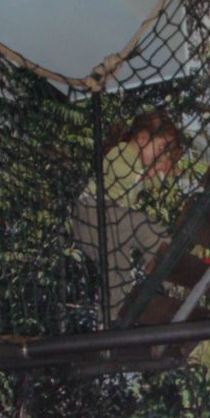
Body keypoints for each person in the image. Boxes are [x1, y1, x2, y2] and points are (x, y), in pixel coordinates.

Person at [72, 109, 183, 321]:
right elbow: (119, 172)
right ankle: (165, 273)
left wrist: (165, 174)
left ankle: (110, 319)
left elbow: (145, 183)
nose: (162, 155)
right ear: (142, 138)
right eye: (160, 148)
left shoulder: (139, 165)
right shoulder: (122, 152)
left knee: (119, 268)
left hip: (111, 225)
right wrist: (149, 172)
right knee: (143, 224)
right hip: (92, 212)